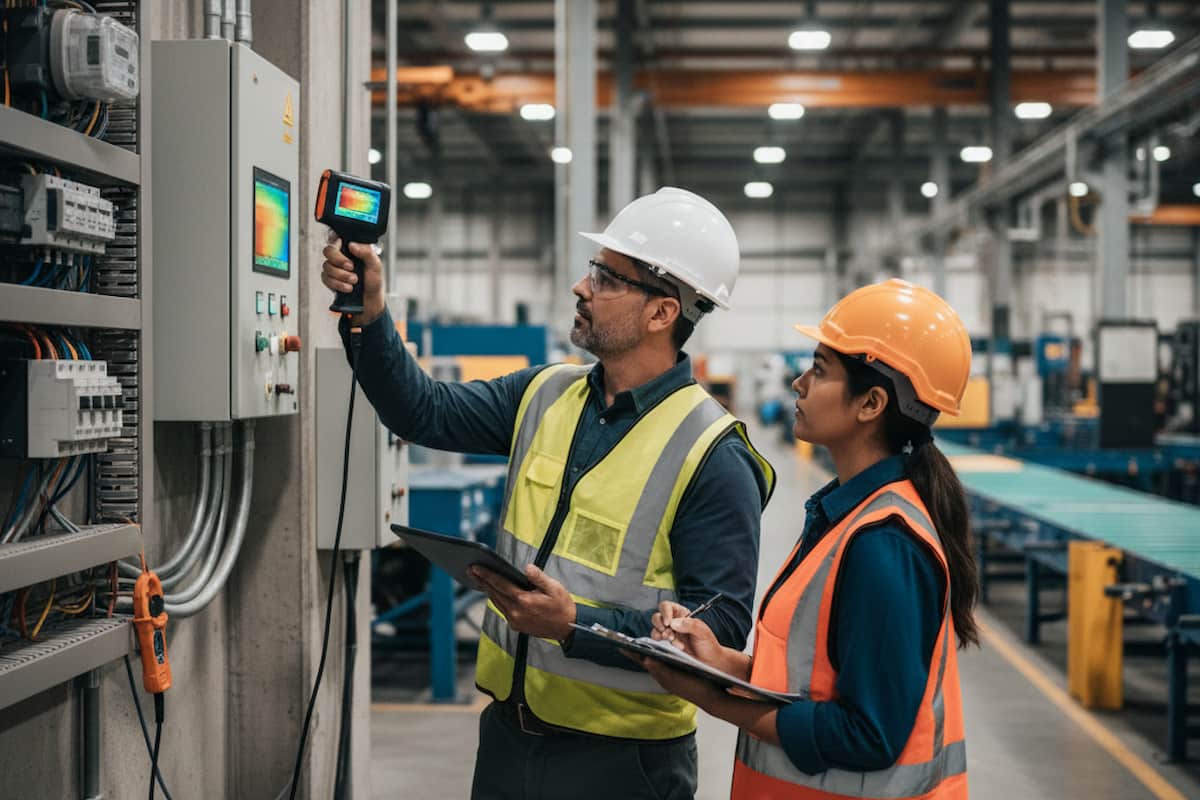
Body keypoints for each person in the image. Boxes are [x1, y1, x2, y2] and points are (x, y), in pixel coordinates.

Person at [320, 187, 775, 800]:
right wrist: (369, 315)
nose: (581, 288)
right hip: (510, 735)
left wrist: (575, 625)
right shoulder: (546, 392)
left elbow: (716, 625)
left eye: (607, 278)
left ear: (662, 313)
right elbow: (423, 412)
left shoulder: (713, 453)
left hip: (623, 763)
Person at [640, 279, 976, 800]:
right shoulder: (844, 515)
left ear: (871, 403)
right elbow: (811, 682)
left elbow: (868, 735)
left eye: (819, 370)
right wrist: (717, 661)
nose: (798, 383)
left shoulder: (883, 545)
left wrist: (714, 700)